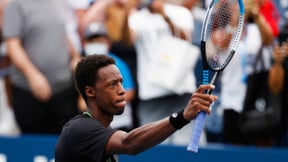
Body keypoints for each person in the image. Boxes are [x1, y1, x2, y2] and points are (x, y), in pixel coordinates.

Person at [55, 54, 217, 162]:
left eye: (121, 82)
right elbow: (130, 143)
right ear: (90, 92)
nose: (121, 90)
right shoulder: (80, 129)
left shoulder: (103, 133)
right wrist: (182, 116)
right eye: (112, 85)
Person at [2, 0, 81, 135]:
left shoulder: (60, 3)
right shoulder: (16, 5)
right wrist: (32, 75)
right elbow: (13, 45)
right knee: (34, 145)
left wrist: (75, 57)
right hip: (28, 91)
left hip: (64, 90)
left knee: (67, 143)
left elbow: (62, 35)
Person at [82, 22, 136, 131]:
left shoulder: (117, 64)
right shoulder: (83, 67)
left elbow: (130, 92)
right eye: (91, 41)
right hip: (95, 126)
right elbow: (81, 101)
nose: (95, 44)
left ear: (108, 43)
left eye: (99, 41)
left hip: (119, 124)